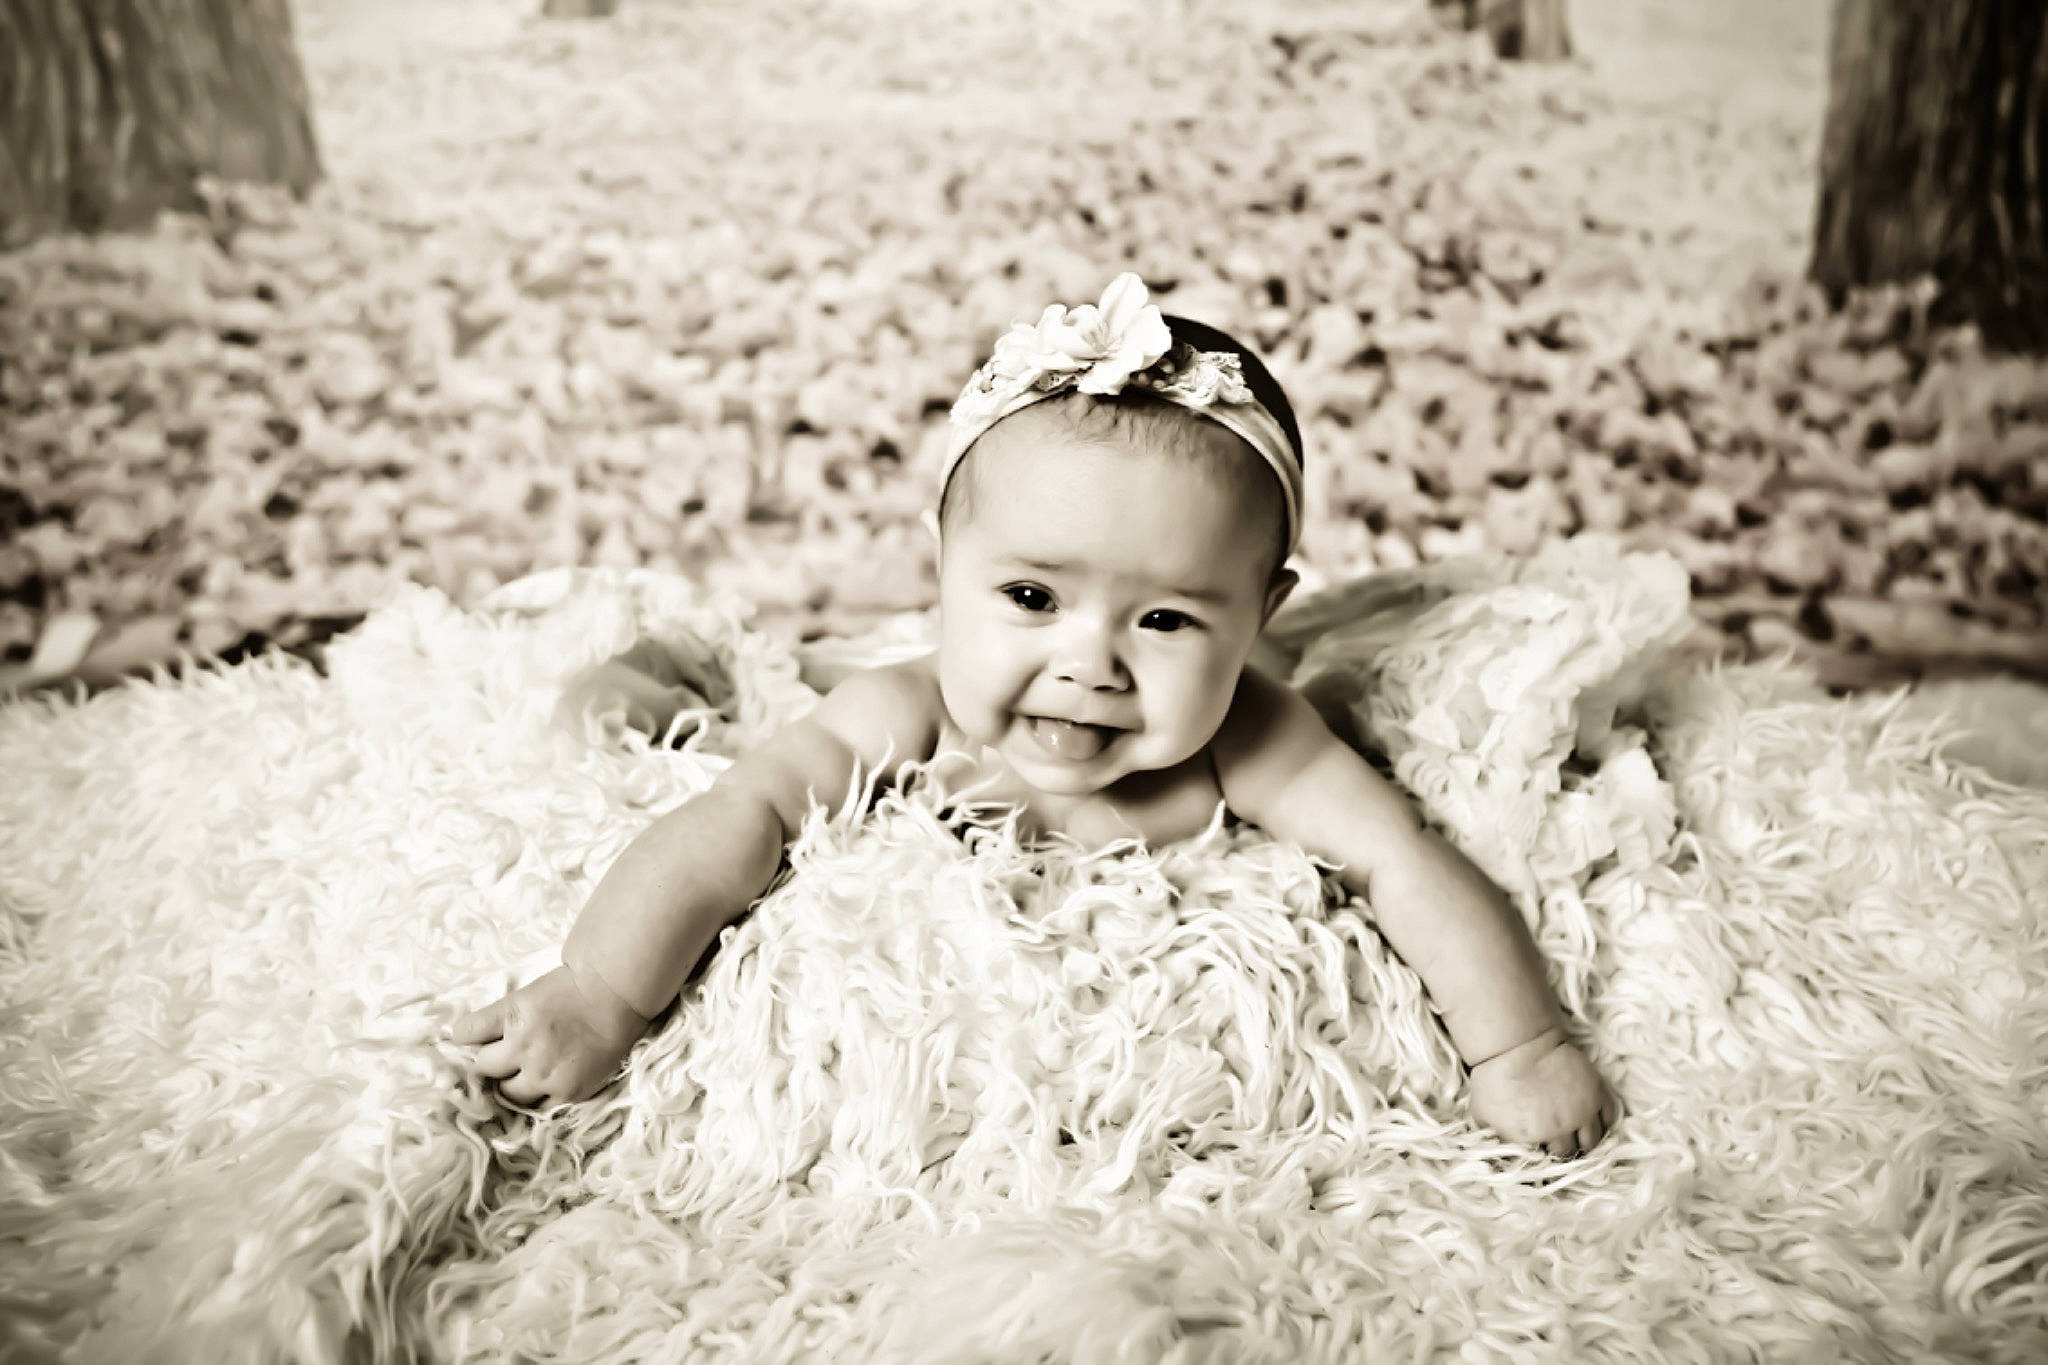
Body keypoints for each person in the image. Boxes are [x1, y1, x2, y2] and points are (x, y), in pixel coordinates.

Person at [455, 274, 1617, 1158]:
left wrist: (1516, 1048)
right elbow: (737, 816)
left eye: (1164, 621)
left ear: (1259, 617)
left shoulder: (1254, 740)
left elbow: (1400, 862)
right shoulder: (902, 715)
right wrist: (600, 992)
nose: (1087, 665)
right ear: (943, 568)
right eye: (1028, 598)